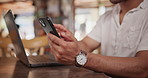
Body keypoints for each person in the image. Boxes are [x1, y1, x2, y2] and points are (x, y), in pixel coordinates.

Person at [47, 0, 148, 77]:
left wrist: (82, 58)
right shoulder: (106, 17)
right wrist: (68, 44)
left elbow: (144, 68)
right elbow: (86, 45)